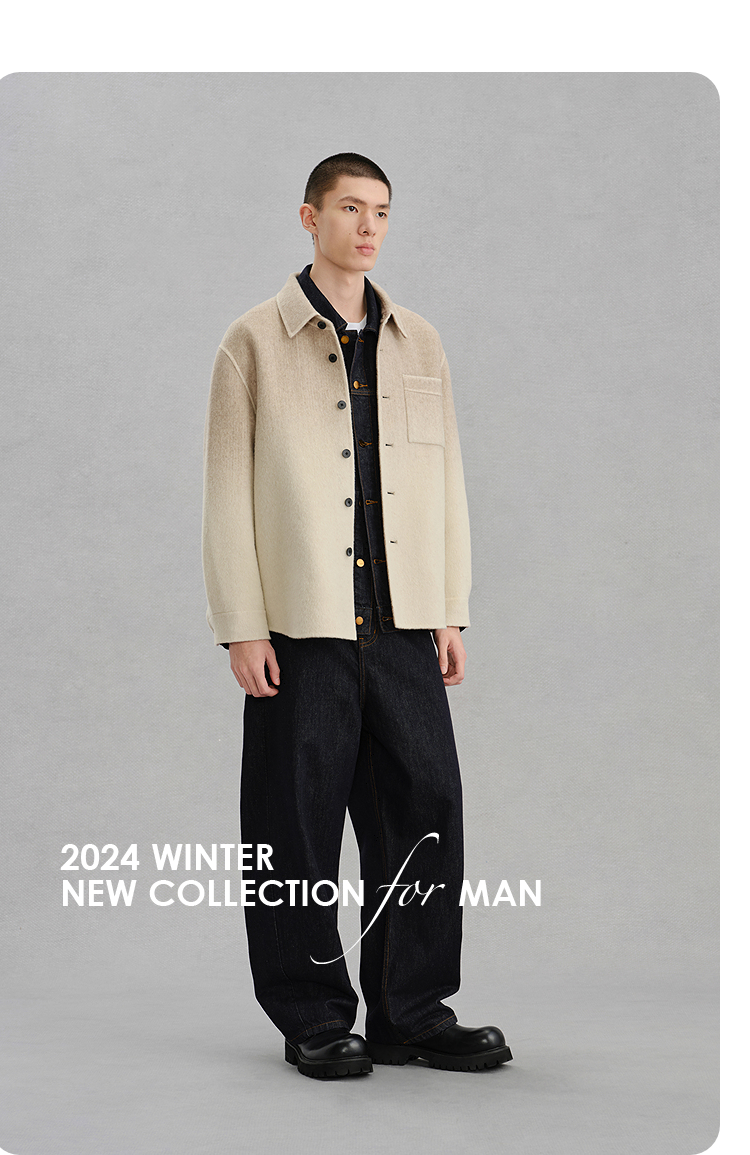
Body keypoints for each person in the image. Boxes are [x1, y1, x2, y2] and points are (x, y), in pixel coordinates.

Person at [202, 153, 513, 1079]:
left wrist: (449, 604)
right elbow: (225, 493)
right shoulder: (253, 342)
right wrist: (242, 622)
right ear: (310, 217)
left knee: (425, 810)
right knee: (293, 824)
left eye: (380, 210)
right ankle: (311, 1016)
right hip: (301, 629)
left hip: (404, 620)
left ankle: (411, 1012)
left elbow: (446, 474)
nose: (368, 226)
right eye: (349, 207)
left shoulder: (420, 341)